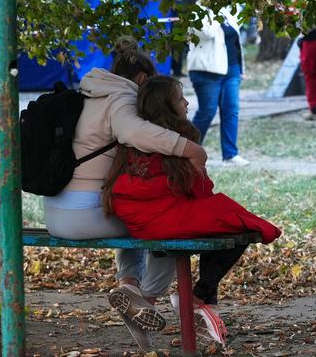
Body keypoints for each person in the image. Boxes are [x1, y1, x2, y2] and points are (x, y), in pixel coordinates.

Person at [43, 36, 209, 352]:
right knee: (167, 227)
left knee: (134, 214)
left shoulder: (90, 92)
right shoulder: (121, 99)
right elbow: (134, 131)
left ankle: (129, 286)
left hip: (57, 211)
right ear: (143, 79)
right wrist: (189, 148)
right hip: (86, 215)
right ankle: (145, 300)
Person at [102, 76, 282, 344]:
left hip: (136, 217)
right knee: (241, 223)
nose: (186, 103)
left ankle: (147, 306)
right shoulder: (177, 139)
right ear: (166, 105)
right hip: (161, 217)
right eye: (180, 98)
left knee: (224, 218)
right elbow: (198, 189)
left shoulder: (135, 137)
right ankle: (200, 296)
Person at [186, 3, 249, 165]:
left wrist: (241, 68)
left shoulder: (225, 10)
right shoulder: (197, 12)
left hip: (232, 69)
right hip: (207, 70)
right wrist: (214, 12)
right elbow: (207, 33)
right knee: (207, 111)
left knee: (231, 110)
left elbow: (235, 38)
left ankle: (230, 154)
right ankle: (186, 151)